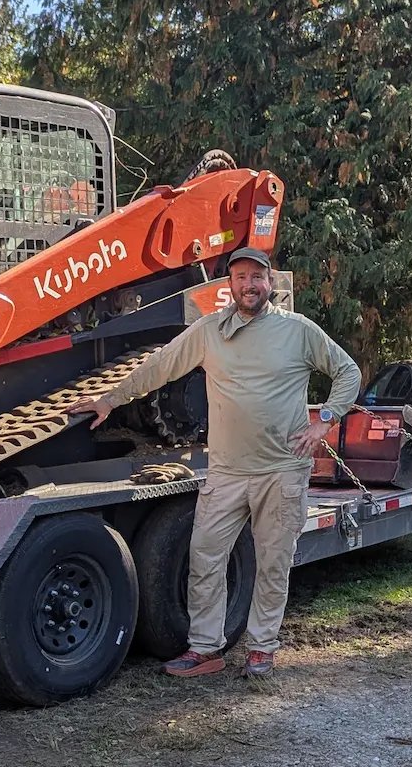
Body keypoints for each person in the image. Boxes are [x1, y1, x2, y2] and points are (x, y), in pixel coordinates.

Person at [66, 248, 360, 679]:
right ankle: (205, 649)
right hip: (226, 471)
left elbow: (348, 371)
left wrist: (325, 421)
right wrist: (110, 400)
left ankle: (261, 648)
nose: (249, 285)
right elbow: (160, 366)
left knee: (273, 562)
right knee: (205, 556)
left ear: (270, 281)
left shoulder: (297, 331)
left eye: (256, 276)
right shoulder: (209, 331)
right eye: (240, 277)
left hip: (281, 469)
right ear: (229, 285)